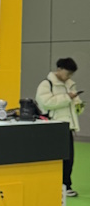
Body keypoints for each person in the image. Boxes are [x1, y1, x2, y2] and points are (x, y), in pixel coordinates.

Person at [35, 57, 83, 197]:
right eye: (67, 73)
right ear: (59, 69)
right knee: (53, 159)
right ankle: (51, 185)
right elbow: (46, 103)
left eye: (71, 74)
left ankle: (66, 186)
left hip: (68, 126)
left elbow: (72, 104)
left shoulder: (70, 84)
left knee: (68, 159)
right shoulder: (46, 84)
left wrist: (78, 104)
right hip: (53, 126)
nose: (69, 77)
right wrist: (67, 97)